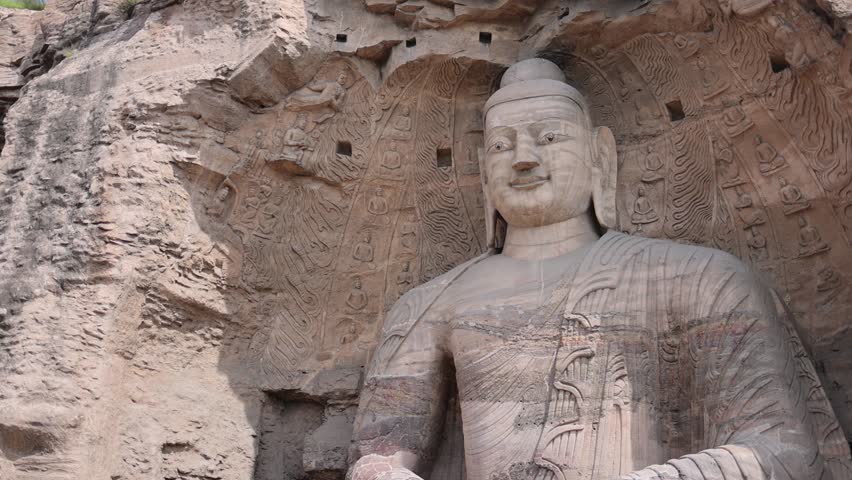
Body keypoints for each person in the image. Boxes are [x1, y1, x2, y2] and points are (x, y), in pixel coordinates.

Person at [348, 59, 851, 480]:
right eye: (502, 145)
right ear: (483, 172)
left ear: (599, 155)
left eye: (549, 138)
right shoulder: (428, 306)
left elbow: (782, 453)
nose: (523, 159)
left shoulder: (699, 278)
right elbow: (376, 459)